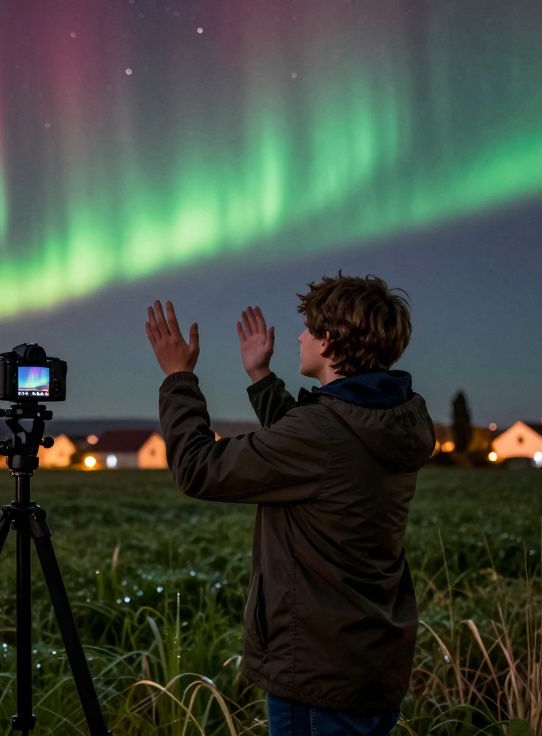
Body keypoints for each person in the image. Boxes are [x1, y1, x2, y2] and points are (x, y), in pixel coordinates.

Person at [143, 272, 435, 736]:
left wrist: (178, 377)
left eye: (311, 328)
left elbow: (198, 468)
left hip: (319, 673)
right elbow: (317, 452)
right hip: (369, 659)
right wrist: (260, 376)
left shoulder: (323, 434)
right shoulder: (393, 417)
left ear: (333, 341)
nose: (300, 336)